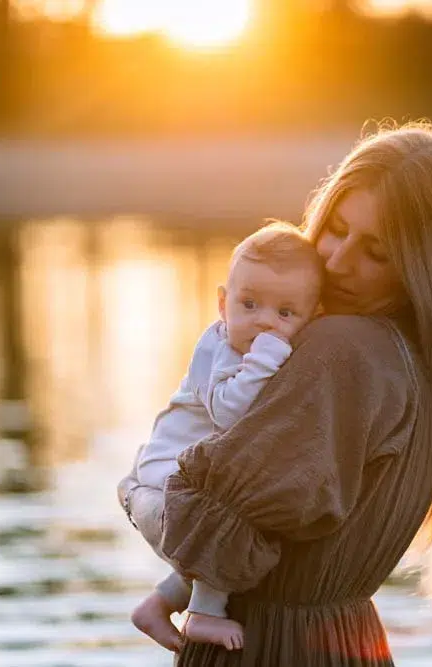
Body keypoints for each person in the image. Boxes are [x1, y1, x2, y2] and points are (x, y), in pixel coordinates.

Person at [122, 121, 432, 666]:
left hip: (268, 647)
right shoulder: (430, 367)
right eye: (335, 229)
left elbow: (206, 525)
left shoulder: (342, 350)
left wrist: (136, 492)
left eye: (376, 251)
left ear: (425, 269)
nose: (336, 261)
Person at [118, 221, 324, 652]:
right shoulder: (217, 348)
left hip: (189, 472)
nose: (264, 322)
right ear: (222, 303)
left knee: (231, 526)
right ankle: (204, 615)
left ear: (312, 317)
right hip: (167, 472)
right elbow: (229, 411)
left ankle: (158, 604)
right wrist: (268, 357)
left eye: (285, 313)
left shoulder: (262, 350)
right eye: (249, 304)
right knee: (224, 521)